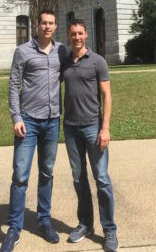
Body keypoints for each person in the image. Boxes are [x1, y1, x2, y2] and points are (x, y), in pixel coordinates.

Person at [0, 10, 67, 252]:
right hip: (27, 122)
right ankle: (14, 229)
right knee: (20, 176)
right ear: (37, 25)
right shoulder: (23, 51)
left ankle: (44, 221)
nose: (47, 27)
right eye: (44, 23)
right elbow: (13, 84)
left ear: (55, 26)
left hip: (52, 122)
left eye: (51, 23)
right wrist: (16, 116)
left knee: (47, 173)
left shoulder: (62, 51)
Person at [61, 18, 119, 252]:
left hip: (93, 128)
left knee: (102, 179)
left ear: (87, 35)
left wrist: (105, 128)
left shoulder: (98, 61)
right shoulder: (64, 62)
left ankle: (110, 231)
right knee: (79, 179)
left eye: (80, 33)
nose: (76, 37)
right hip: (70, 128)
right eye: (73, 33)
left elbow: (107, 96)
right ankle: (85, 224)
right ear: (68, 36)